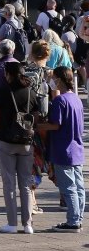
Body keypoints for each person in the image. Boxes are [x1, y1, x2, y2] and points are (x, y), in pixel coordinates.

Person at [0, 61, 37, 234]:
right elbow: (36, 117)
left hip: (6, 141)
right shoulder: (31, 92)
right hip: (26, 142)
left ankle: (11, 223)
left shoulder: (3, 92)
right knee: (25, 184)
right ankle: (28, 224)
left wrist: (2, 132)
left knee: (8, 183)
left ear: (8, 75)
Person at [40, 66, 85, 232]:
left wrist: (38, 126)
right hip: (76, 149)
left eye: (54, 78)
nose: (52, 81)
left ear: (59, 79)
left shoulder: (60, 100)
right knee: (78, 186)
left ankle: (73, 221)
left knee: (68, 187)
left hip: (63, 149)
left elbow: (55, 124)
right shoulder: (76, 99)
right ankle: (77, 218)